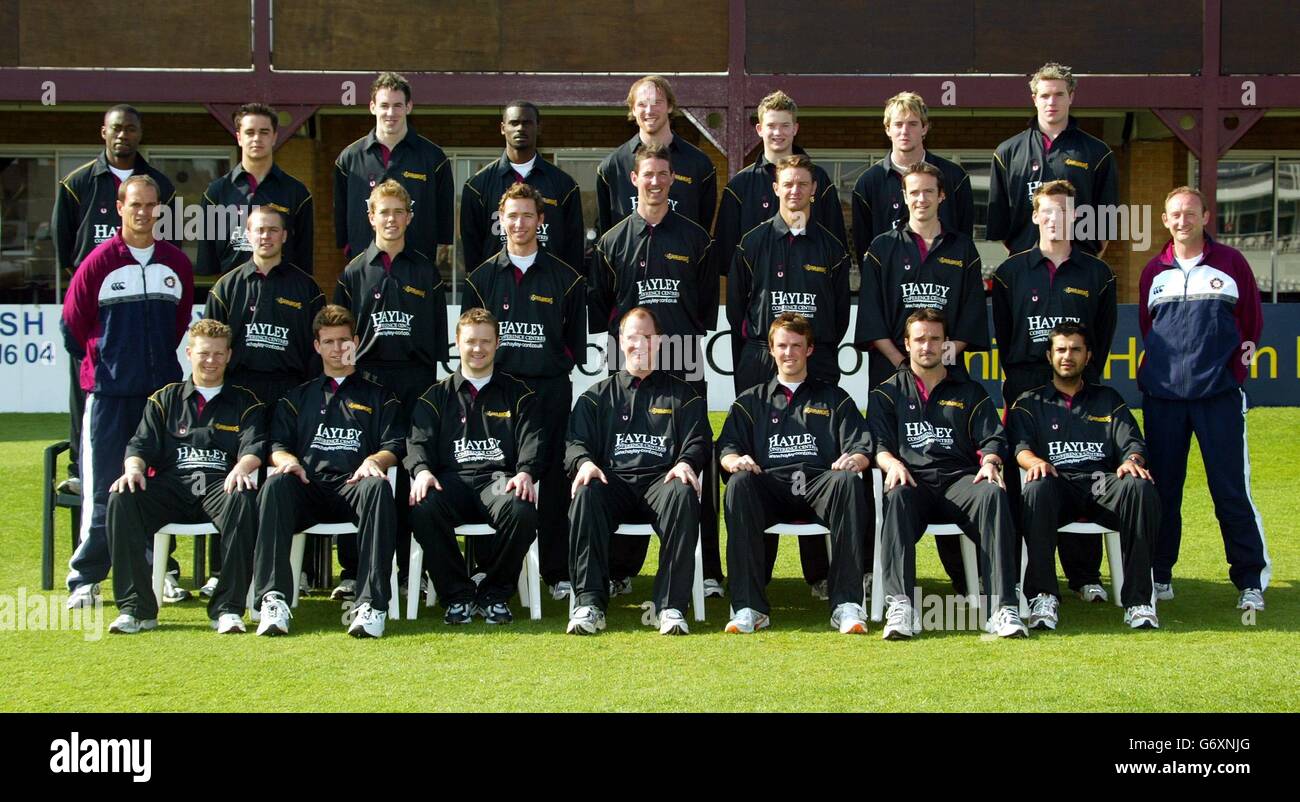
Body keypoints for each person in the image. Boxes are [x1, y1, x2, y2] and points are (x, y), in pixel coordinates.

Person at [590, 142, 720, 599]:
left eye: (664, 175)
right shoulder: (610, 242)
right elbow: (601, 305)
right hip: (626, 357)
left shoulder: (697, 239)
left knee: (690, 463)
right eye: (648, 174)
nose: (655, 181)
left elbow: (706, 306)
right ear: (634, 178)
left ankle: (707, 571)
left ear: (673, 181)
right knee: (627, 456)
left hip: (682, 353)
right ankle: (621, 568)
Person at [62, 175, 194, 611]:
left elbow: (177, 325)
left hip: (160, 401)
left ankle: (162, 573)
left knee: (158, 487)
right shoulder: (98, 263)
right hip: (109, 399)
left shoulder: (176, 263)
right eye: (134, 204)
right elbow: (73, 326)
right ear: (119, 208)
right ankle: (86, 578)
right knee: (104, 490)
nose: (143, 212)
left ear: (160, 210)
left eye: (151, 205)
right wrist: (109, 367)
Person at [1138, 186, 1269, 613]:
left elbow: (1251, 322)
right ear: (1164, 220)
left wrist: (1230, 374)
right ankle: (1160, 574)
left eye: (1190, 213)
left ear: (1206, 216)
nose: (1182, 220)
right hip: (1163, 399)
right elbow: (1149, 329)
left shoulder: (1232, 264)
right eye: (1174, 214)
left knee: (1230, 491)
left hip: (1218, 398)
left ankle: (1250, 579)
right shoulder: (1152, 272)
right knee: (1163, 493)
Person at [727, 153, 850, 595]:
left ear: (814, 189)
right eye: (787, 184)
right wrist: (757, 349)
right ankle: (758, 573)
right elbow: (738, 308)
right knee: (762, 458)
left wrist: (817, 350)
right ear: (775, 189)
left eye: (803, 184)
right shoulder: (752, 243)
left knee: (815, 455)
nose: (795, 191)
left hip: (815, 359)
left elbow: (837, 315)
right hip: (762, 356)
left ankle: (819, 574)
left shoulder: (832, 248)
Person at [992, 179, 1117, 601]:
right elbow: (1005, 336)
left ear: (1076, 216)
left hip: (1078, 391)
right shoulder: (1010, 273)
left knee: (1080, 471)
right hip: (1026, 389)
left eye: (1064, 211)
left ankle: (1084, 576)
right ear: (1034, 215)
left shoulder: (1097, 273)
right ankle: (1019, 573)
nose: (1055, 218)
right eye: (1047, 210)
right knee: (1024, 478)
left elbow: (1102, 337)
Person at [869, 308, 1027, 640]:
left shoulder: (970, 391)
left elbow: (993, 438)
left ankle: (1002, 608)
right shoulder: (886, 392)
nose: (927, 346)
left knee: (993, 494)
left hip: (960, 481)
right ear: (907, 344)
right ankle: (900, 607)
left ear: (946, 345)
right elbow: (879, 444)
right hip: (913, 481)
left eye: (935, 339)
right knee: (895, 495)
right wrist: (891, 463)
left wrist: (990, 462)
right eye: (920, 339)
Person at [464, 183, 585, 601]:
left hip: (548, 393)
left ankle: (556, 572)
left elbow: (573, 345)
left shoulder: (567, 279)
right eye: (511, 216)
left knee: (551, 480)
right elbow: (472, 343)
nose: (519, 223)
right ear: (500, 221)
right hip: (495, 395)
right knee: (490, 476)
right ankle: (486, 568)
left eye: (527, 215)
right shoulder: (480, 278)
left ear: (541, 221)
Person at [253, 305, 403, 638]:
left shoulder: (380, 396)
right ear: (317, 346)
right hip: (309, 487)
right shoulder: (296, 398)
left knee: (379, 488)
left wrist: (376, 460)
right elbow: (276, 445)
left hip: (354, 486)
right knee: (275, 486)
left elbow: (394, 445)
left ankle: (371, 605)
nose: (338, 349)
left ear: (357, 342)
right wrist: (285, 461)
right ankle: (273, 600)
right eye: (329, 342)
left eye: (344, 341)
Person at [105, 320, 264, 635]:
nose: (211, 360)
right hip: (172, 487)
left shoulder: (246, 400)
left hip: (221, 485)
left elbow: (254, 447)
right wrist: (133, 469)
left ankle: (228, 609)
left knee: (244, 501)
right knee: (121, 499)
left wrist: (242, 468)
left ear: (229, 355)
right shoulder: (164, 398)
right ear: (189, 353)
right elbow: (140, 445)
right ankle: (136, 609)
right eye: (204, 353)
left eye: (219, 354)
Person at [718, 313, 872, 635]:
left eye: (796, 346)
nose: (789, 353)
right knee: (739, 484)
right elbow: (728, 447)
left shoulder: (834, 398)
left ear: (810, 349)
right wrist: (734, 461)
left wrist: (856, 460)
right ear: (771, 350)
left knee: (847, 481)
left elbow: (861, 445)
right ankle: (748, 607)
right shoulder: (750, 400)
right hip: (770, 487)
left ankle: (846, 605)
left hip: (820, 486)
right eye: (782, 346)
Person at [52, 104, 175, 498]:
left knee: (149, 409)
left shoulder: (161, 185)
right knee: (87, 391)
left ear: (141, 134)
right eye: (117, 128)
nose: (124, 135)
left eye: (132, 129)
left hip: (146, 304)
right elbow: (64, 250)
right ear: (103, 132)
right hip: (98, 312)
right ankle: (79, 466)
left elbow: (169, 249)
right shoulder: (77, 183)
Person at [200, 205, 324, 597]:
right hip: (239, 396)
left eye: (273, 230)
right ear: (247, 235)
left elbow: (315, 352)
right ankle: (227, 569)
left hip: (291, 394)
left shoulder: (306, 288)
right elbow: (211, 341)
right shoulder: (227, 286)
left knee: (292, 476)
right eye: (259, 230)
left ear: (285, 236)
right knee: (235, 477)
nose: (266, 237)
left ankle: (299, 571)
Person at [334, 179, 448, 600]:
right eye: (384, 211)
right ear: (371, 216)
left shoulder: (425, 270)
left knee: (409, 477)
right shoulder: (353, 271)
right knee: (362, 470)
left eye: (399, 212)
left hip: (415, 381)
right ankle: (353, 568)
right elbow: (342, 332)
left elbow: (437, 334)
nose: (391, 219)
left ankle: (408, 569)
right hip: (368, 382)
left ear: (409, 218)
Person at [565, 307, 710, 636]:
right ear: (620, 341)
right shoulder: (595, 397)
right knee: (586, 492)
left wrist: (687, 462)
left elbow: (699, 440)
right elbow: (575, 443)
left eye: (647, 337)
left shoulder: (683, 396)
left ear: (659, 341)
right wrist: (584, 463)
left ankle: (670, 607)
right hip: (612, 483)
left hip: (661, 483)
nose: (639, 344)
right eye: (632, 337)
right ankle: (589, 604)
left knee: (683, 492)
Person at [1008, 323, 1160, 630]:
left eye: (1075, 349)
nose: (1068, 356)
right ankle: (1042, 597)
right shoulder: (1028, 402)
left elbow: (1133, 443)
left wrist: (1132, 460)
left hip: (1101, 484)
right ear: (1049, 356)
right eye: (1061, 350)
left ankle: (1139, 601)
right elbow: (1019, 448)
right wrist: (1034, 461)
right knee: (1036, 489)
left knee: (1140, 487)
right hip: (1058, 485)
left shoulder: (1108, 399)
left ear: (1088, 356)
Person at [407, 309, 542, 625]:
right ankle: (457, 595)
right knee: (422, 506)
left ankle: (494, 593)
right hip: (450, 482)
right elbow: (417, 443)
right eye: (470, 341)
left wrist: (525, 472)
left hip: (497, 482)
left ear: (497, 343)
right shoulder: (434, 397)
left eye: (485, 341)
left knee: (522, 509)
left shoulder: (519, 395)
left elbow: (533, 443)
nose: (477, 349)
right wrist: (422, 471)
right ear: (457, 342)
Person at [987, 62, 1117, 257]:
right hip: (1024, 265)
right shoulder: (1007, 152)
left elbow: (1107, 221)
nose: (1051, 102)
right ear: (1034, 99)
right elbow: (999, 221)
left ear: (1071, 97)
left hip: (1080, 265)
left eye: (1059, 95)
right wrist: (1022, 258)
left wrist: (1088, 261)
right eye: (1045, 95)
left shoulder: (1097, 152)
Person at [715, 90, 846, 283]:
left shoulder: (819, 179)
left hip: (810, 294)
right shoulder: (739, 186)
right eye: (771, 126)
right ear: (759, 129)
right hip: (760, 297)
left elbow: (837, 246)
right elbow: (728, 258)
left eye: (785, 125)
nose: (778, 133)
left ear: (795, 128)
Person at [334, 72, 454, 269]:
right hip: (365, 269)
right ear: (372, 107)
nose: (391, 113)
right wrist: (350, 249)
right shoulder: (349, 158)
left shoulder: (434, 158)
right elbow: (341, 216)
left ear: (409, 107)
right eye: (384, 105)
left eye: (398, 105)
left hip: (418, 269)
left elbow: (444, 218)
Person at [461, 101, 585, 272]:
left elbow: (573, 247)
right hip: (496, 286)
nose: (520, 128)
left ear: (538, 128)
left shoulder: (564, 185)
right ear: (503, 128)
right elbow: (472, 249)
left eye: (527, 123)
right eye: (514, 123)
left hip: (550, 286)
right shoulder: (477, 185)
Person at [852, 91, 973, 262]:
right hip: (888, 283)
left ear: (924, 128)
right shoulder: (868, 183)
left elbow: (964, 239)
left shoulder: (954, 177)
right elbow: (863, 248)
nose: (905, 131)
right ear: (887, 129)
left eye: (913, 124)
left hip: (943, 281)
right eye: (898, 124)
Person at [197, 102, 314, 276]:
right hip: (233, 295)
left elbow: (303, 259)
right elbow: (207, 261)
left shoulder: (297, 193)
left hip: (282, 293)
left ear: (274, 137)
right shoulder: (216, 193)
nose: (257, 138)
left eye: (264, 132)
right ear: (238, 138)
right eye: (250, 132)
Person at [595, 75, 717, 238]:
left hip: (682, 261)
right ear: (633, 110)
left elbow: (703, 230)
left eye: (657, 103)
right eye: (642, 104)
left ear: (670, 106)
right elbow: (607, 234)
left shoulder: (700, 165)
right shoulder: (612, 167)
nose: (649, 111)